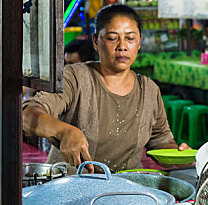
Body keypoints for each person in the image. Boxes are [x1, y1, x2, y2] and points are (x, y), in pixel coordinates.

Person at [23, 4, 188, 174]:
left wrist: (179, 156)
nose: (122, 46)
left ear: (139, 41)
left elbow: (161, 142)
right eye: (112, 38)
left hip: (126, 192)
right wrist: (63, 131)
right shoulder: (75, 78)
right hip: (69, 190)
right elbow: (26, 115)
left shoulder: (149, 90)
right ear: (96, 41)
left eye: (130, 38)